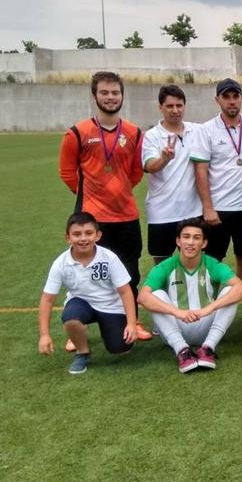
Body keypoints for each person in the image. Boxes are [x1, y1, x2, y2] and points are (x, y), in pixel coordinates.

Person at [58, 71, 149, 340]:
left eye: (115, 93)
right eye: (105, 93)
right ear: (95, 95)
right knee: (86, 274)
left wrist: (118, 192)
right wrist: (91, 196)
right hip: (92, 220)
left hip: (126, 216)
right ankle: (77, 329)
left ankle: (133, 322)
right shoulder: (78, 132)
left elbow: (135, 172)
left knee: (130, 273)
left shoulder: (134, 132)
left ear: (122, 95)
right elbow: (66, 172)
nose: (111, 98)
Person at [191, 78, 242, 324]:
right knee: (212, 259)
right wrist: (208, 208)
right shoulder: (206, 130)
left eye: (236, 96)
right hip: (217, 209)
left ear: (241, 98)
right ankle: (210, 303)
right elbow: (201, 170)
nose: (232, 101)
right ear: (217, 100)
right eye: (226, 97)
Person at [137, 218, 242, 373]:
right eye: (186, 237)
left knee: (231, 291)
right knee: (156, 294)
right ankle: (182, 350)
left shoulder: (212, 264)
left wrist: (208, 309)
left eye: (196, 238)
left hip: (206, 324)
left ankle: (208, 348)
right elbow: (142, 297)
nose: (190, 242)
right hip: (176, 325)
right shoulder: (166, 266)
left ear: (204, 243)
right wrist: (178, 313)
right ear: (178, 241)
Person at [38, 212, 137, 375]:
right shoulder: (60, 263)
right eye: (77, 234)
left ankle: (106, 331)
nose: (83, 238)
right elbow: (47, 300)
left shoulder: (109, 258)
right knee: (71, 317)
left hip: (110, 306)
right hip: (81, 304)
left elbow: (125, 291)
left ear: (98, 235)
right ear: (68, 238)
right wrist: (44, 335)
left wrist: (132, 324)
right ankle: (82, 352)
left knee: (120, 348)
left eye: (89, 233)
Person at [142, 84, 202, 265]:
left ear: (184, 106)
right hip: (162, 212)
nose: (175, 110)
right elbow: (149, 166)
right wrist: (164, 159)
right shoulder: (152, 136)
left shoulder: (198, 130)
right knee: (162, 264)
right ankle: (161, 294)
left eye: (179, 105)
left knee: (194, 261)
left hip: (193, 212)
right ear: (160, 107)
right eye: (169, 106)